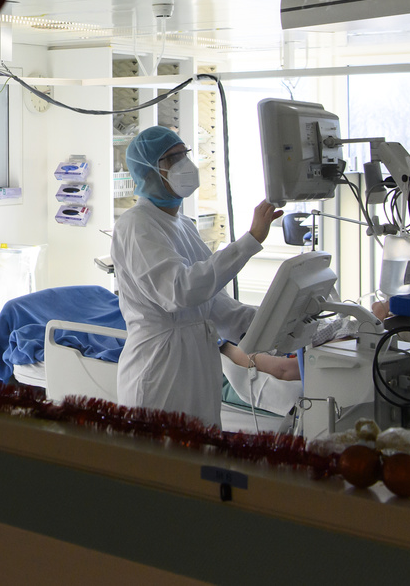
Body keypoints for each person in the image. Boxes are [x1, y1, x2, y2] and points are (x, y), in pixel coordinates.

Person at [112, 125, 283, 426]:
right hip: (160, 371)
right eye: (172, 158)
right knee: (163, 464)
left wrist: (278, 322)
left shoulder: (184, 225)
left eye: (185, 154)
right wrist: (250, 240)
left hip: (196, 369)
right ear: (149, 171)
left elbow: (214, 306)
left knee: (200, 462)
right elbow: (180, 291)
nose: (184, 164)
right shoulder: (136, 225)